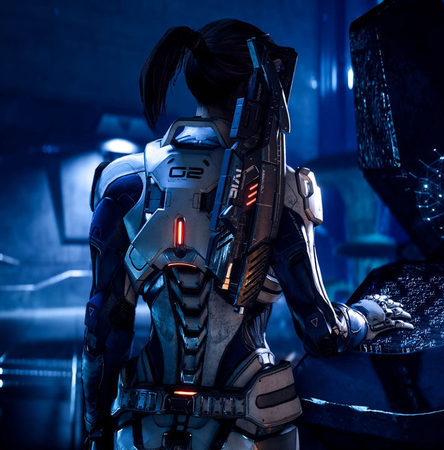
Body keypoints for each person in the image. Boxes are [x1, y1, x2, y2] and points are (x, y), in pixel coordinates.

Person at [82, 18, 412, 450]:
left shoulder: (125, 182)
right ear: (262, 82)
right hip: (251, 426)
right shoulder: (278, 188)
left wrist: (95, 428)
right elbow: (322, 331)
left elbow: (103, 329)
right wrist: (368, 316)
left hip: (141, 427)